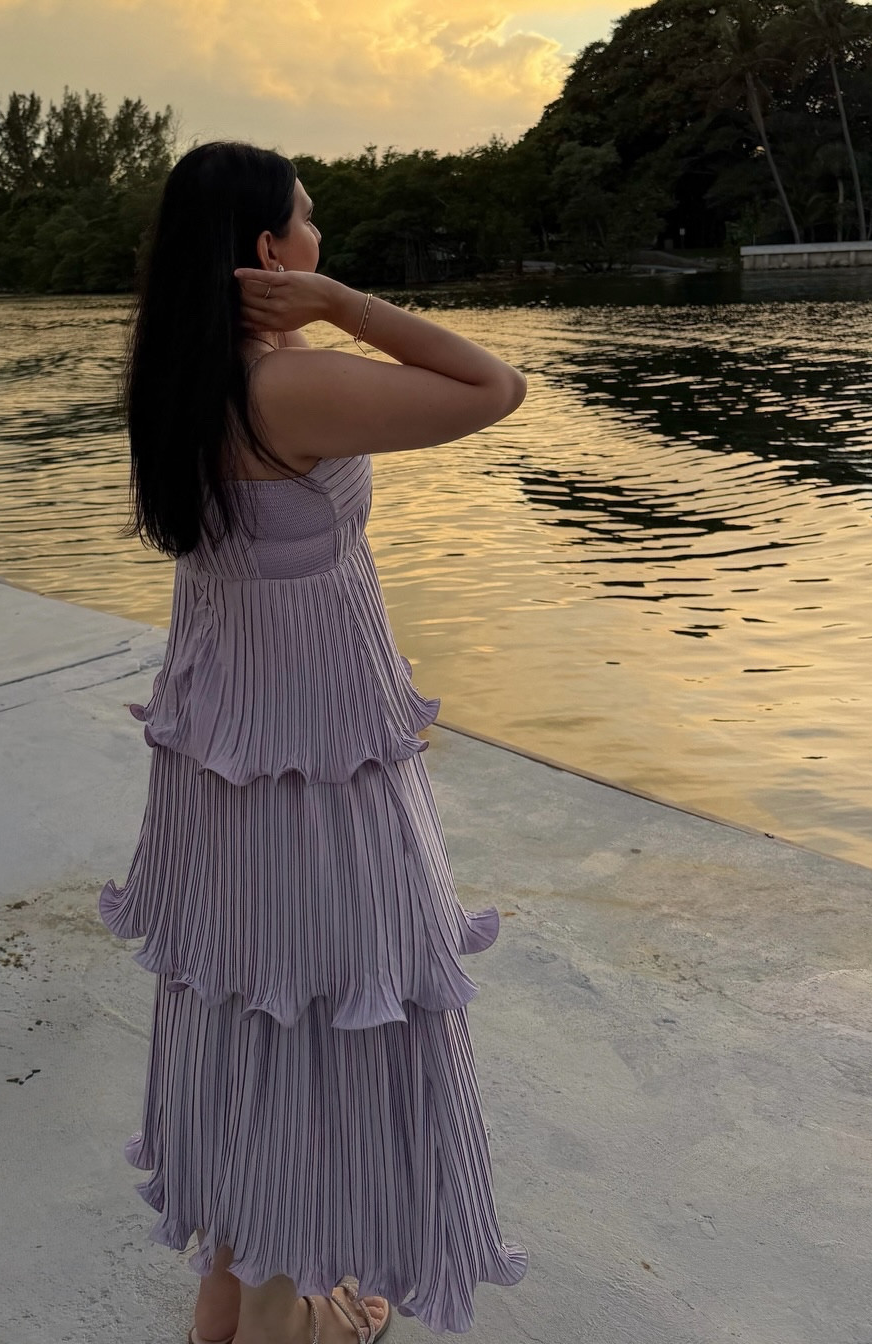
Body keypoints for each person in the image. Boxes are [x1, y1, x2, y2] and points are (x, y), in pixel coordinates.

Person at [100, 142, 529, 1343]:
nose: (322, 238)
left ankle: (231, 1289)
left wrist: (311, 311)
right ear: (269, 253)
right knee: (330, 1014)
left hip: (234, 751)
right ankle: (287, 1316)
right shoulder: (286, 388)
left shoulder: (178, 379)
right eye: (309, 224)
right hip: (311, 758)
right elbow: (493, 386)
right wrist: (341, 306)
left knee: (257, 1005)